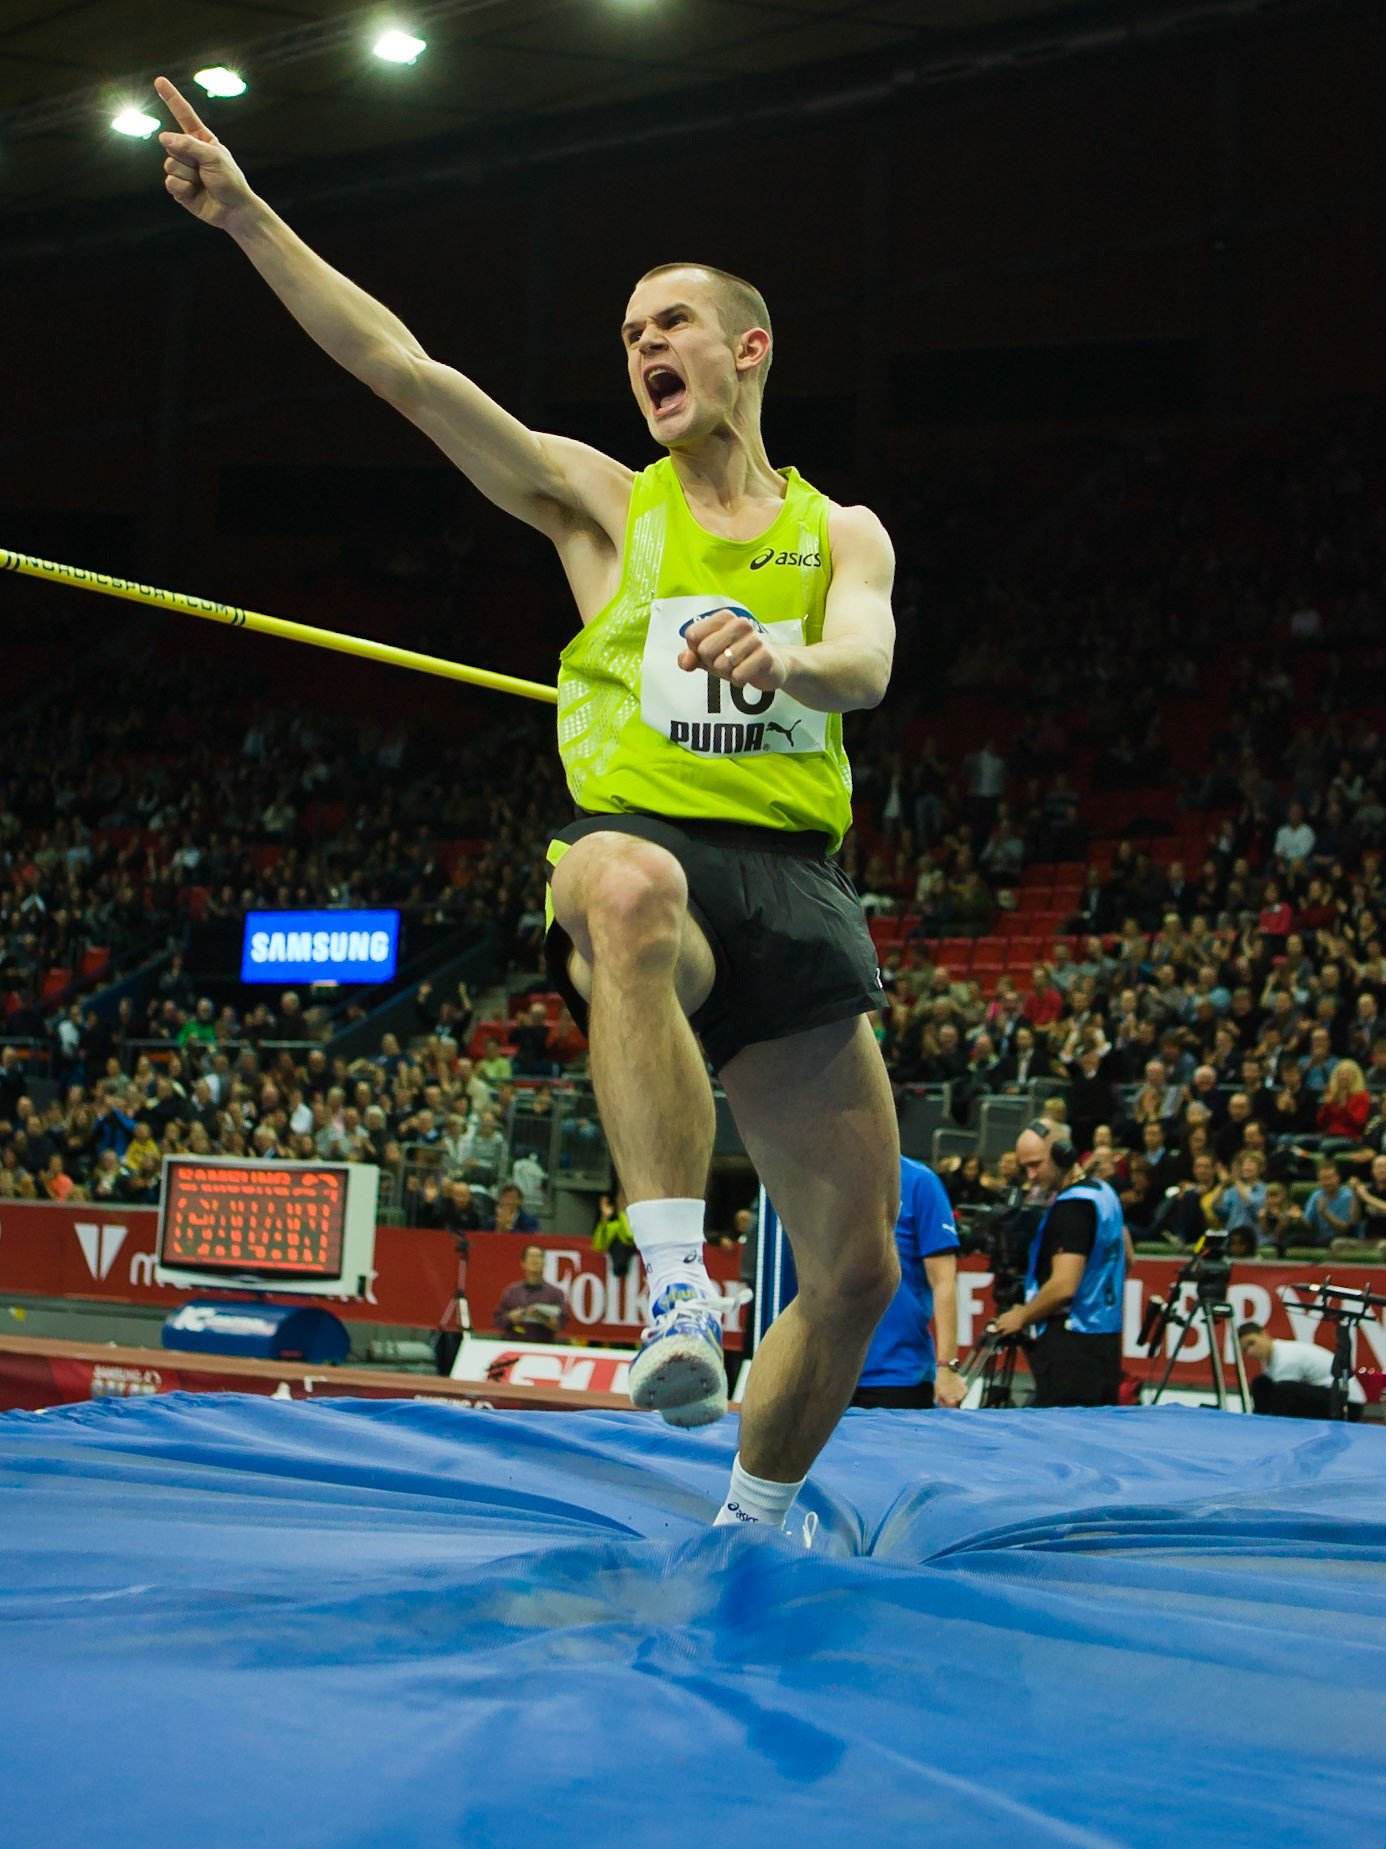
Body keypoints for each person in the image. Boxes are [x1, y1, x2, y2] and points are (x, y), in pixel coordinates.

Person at [157, 78, 900, 1543]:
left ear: (747, 350)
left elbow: (866, 660)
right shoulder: (604, 506)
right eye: (627, 336)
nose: (640, 351)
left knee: (862, 1270)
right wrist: (247, 215)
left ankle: (748, 1525)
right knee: (618, 889)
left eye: (667, 326)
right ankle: (675, 1282)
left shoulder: (839, 531)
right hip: (652, 852)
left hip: (795, 879)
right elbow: (405, 369)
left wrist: (786, 656)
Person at [992, 1122, 1127, 1407]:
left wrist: (1022, 1316)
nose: (1031, 1176)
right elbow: (1128, 1257)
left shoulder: (1072, 1207)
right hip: (1105, 1339)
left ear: (1062, 1154)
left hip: (1072, 1343)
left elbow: (1064, 1286)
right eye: (1024, 1167)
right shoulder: (1104, 1192)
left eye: (1036, 1165)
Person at [850, 1156, 964, 1411]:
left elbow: (944, 1282)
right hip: (826, 1377)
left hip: (896, 1376)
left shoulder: (918, 1181)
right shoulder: (822, 1181)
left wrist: (947, 1368)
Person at [1237, 1323, 1364, 1419]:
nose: (1250, 1352)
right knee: (1261, 1382)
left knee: (1283, 1390)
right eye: (1245, 1350)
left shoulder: (1285, 1357)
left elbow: (1282, 1399)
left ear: (1264, 1334)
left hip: (1347, 1404)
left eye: (1251, 1343)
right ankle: (1260, 1423)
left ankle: (1281, 1430)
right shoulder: (1271, 1360)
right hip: (1326, 1395)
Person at [493, 1244, 570, 1344]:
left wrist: (541, 1316)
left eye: (539, 1257)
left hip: (542, 1345)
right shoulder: (512, 1291)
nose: (535, 1261)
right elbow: (498, 1320)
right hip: (513, 1344)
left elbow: (560, 1324)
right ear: (523, 1263)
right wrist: (513, 1316)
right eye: (531, 1257)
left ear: (544, 1263)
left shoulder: (555, 1293)